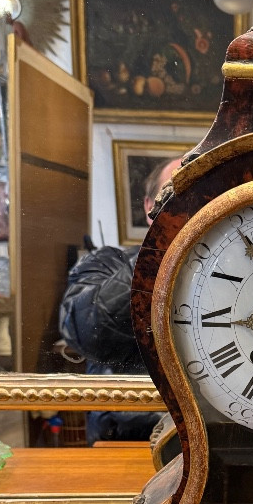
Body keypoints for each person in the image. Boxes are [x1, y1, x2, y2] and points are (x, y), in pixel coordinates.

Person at [59, 157, 183, 442]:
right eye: (175, 194)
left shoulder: (230, 270)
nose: (189, 206)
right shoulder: (107, 263)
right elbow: (86, 332)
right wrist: (163, 246)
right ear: (150, 206)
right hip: (127, 436)